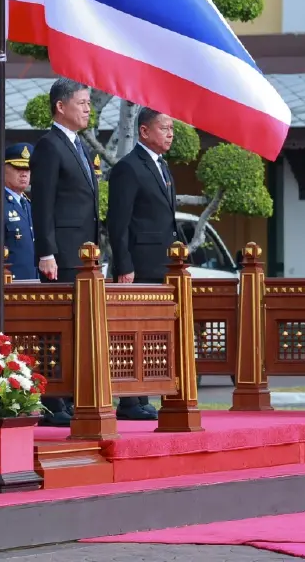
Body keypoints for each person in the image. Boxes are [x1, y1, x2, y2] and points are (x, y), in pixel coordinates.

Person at [30, 78, 99, 427]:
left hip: (83, 254)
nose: (88, 109)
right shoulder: (49, 145)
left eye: (89, 103)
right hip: (62, 255)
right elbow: (43, 203)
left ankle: (69, 397)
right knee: (57, 327)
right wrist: (46, 251)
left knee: (78, 328)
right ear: (61, 106)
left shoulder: (79, 145)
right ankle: (51, 401)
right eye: (82, 103)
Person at [106, 108, 180, 421]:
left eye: (172, 129)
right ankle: (129, 401)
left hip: (163, 263)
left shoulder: (162, 166)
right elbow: (118, 222)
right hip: (138, 263)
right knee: (131, 330)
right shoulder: (129, 167)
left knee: (152, 332)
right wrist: (124, 265)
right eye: (164, 128)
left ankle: (144, 395)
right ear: (145, 131)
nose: (170, 134)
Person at [0, 143, 36, 281]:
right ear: (3, 171)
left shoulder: (28, 204)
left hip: (32, 281)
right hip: (9, 284)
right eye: (18, 168)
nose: (24, 174)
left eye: (27, 169)